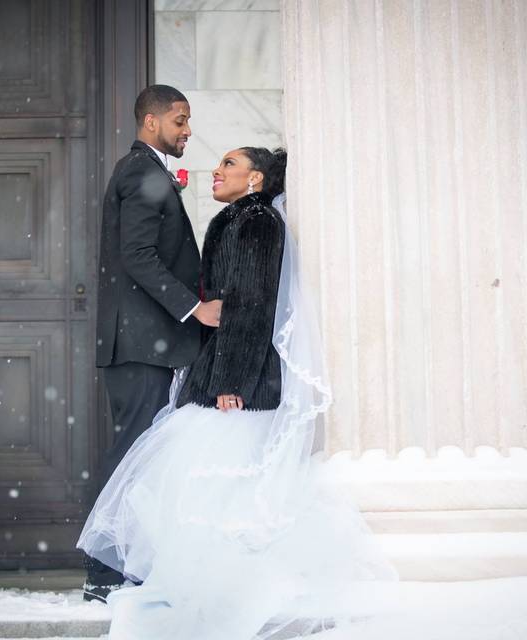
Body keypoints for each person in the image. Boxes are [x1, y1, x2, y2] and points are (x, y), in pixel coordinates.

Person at [79, 147, 388, 637]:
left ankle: (225, 588)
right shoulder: (235, 218)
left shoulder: (258, 221)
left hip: (239, 380)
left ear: (256, 178)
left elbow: (252, 304)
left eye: (229, 164)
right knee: (203, 487)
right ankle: (198, 582)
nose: (216, 171)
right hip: (218, 372)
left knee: (223, 487)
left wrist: (232, 382)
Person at [87, 84, 222, 601]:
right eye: (180, 121)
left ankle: (122, 566)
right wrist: (196, 307)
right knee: (130, 455)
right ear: (151, 123)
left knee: (139, 455)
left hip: (148, 342)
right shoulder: (141, 171)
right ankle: (102, 574)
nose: (188, 131)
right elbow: (139, 256)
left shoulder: (144, 171)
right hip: (140, 342)